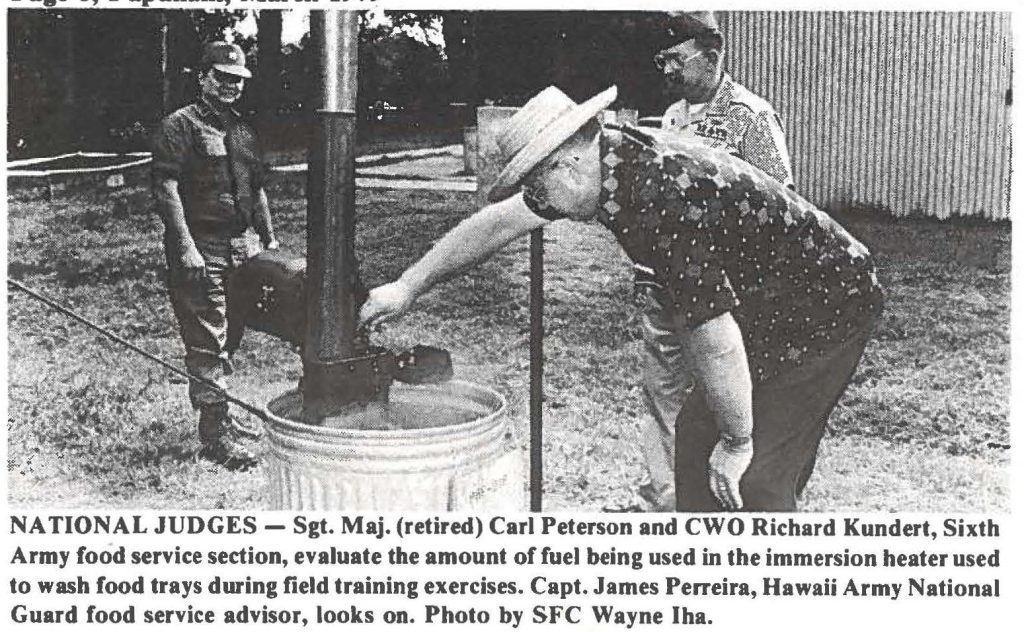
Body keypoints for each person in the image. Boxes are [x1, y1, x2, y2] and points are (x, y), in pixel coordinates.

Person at [360, 85, 883, 511]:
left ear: (565, 163)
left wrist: (740, 441)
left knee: (755, 471)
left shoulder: (661, 196)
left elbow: (714, 337)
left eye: (536, 188)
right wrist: (407, 285)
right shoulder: (606, 160)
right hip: (771, 297)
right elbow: (497, 223)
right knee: (700, 435)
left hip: (828, 302)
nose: (537, 205)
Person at [637, 12, 798, 509]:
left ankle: (718, 502)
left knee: (721, 399)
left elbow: (782, 201)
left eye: (675, 58)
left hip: (724, 291)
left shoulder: (751, 116)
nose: (667, 70)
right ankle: (662, 503)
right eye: (661, 59)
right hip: (666, 281)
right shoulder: (671, 118)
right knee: (659, 395)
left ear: (713, 54)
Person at [152, 41, 279, 469]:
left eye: (237, 80)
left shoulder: (243, 130)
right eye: (222, 78)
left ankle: (221, 414)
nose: (230, 87)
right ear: (202, 77)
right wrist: (185, 246)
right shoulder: (180, 125)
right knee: (208, 336)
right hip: (201, 244)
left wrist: (270, 239)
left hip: (242, 245)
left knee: (232, 332)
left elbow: (257, 188)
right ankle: (215, 435)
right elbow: (166, 188)